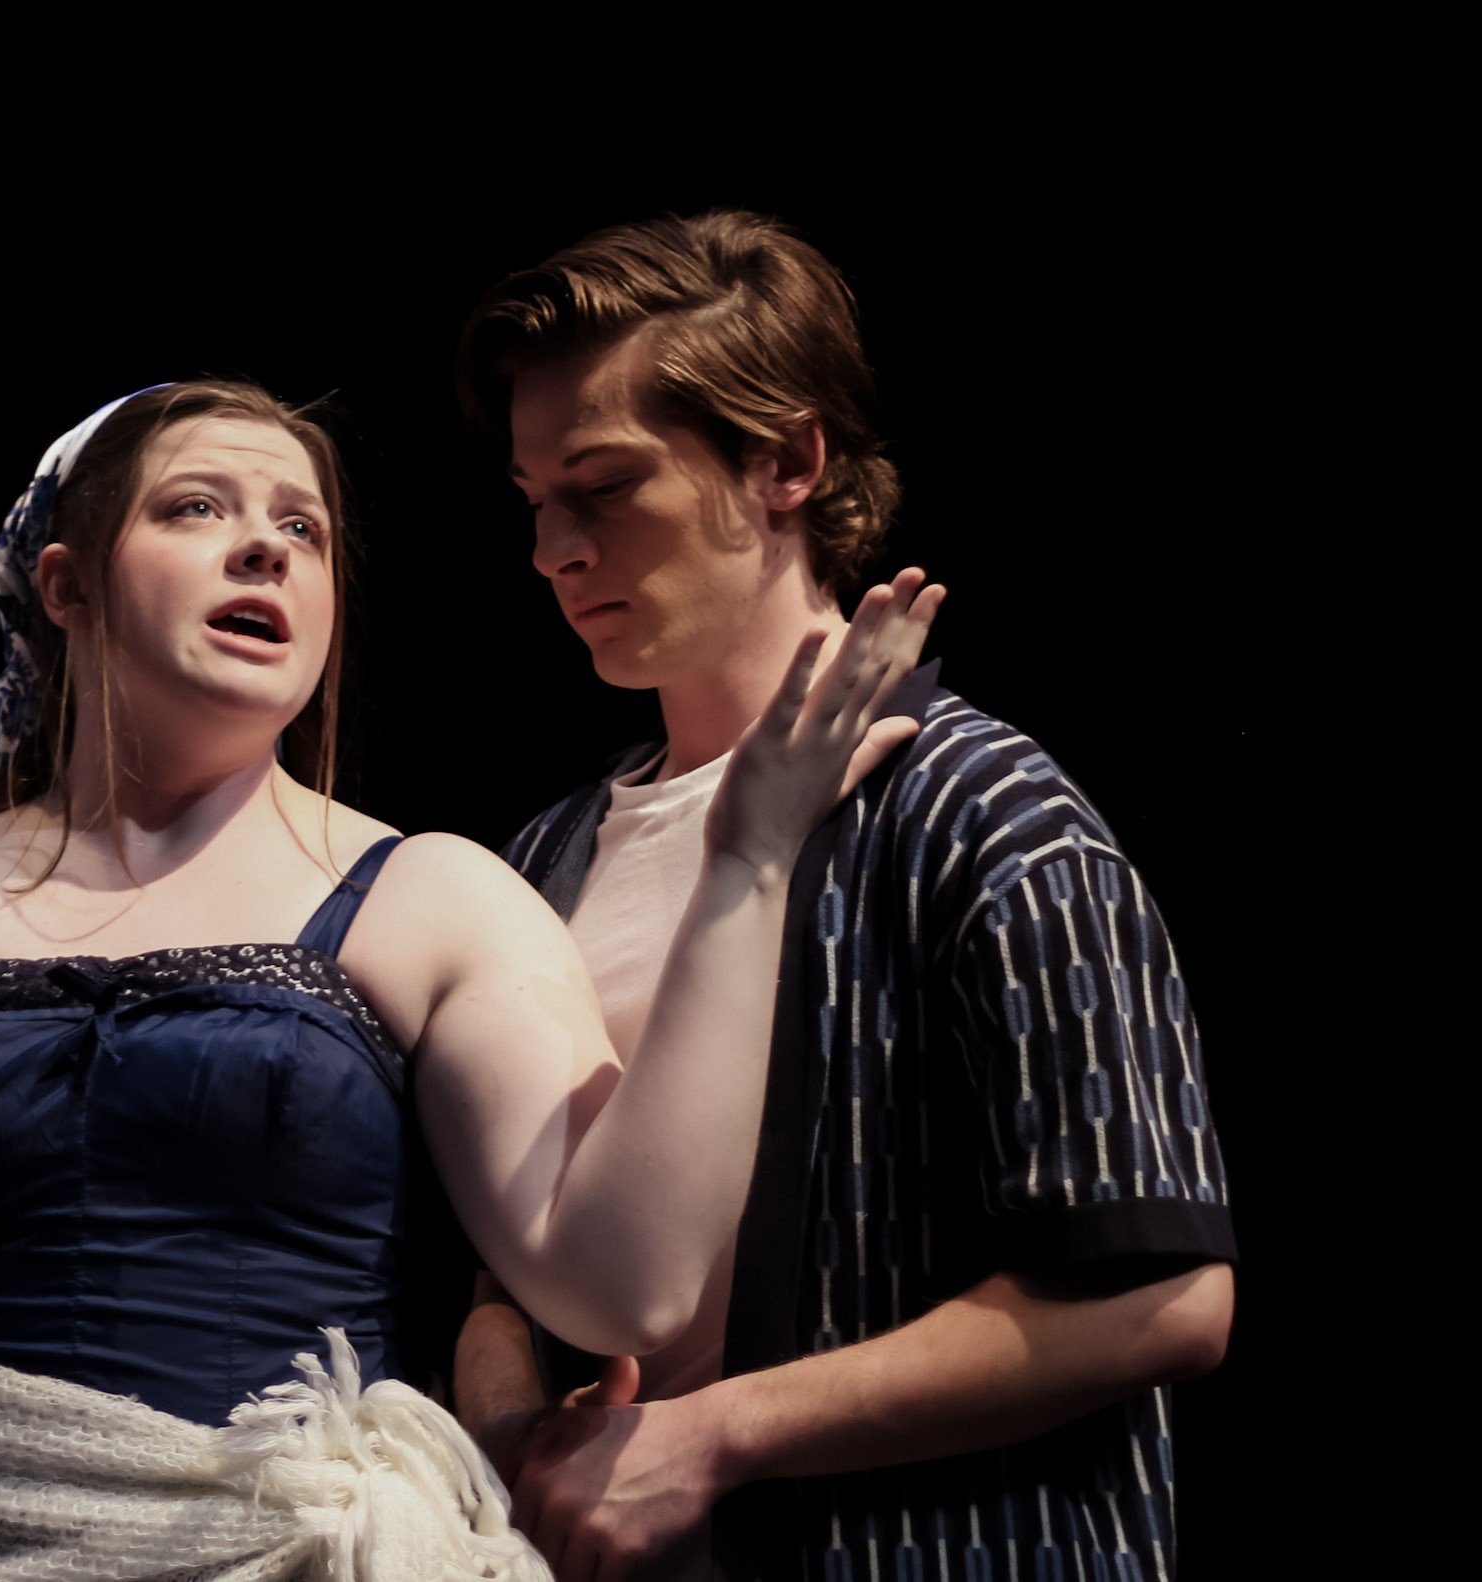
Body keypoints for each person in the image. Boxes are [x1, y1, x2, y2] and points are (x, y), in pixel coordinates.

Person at [0, 378, 939, 1579]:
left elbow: (626, 1284)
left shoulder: (430, 896)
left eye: (303, 528)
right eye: (198, 508)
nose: (266, 547)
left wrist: (748, 862)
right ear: (66, 585)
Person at [450, 212, 1237, 1582]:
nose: (552, 548)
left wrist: (712, 1436)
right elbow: (499, 1273)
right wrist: (513, 1428)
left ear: (788, 462)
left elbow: (1161, 1297)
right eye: (532, 499)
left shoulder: (986, 819)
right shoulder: (541, 859)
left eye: (605, 483)